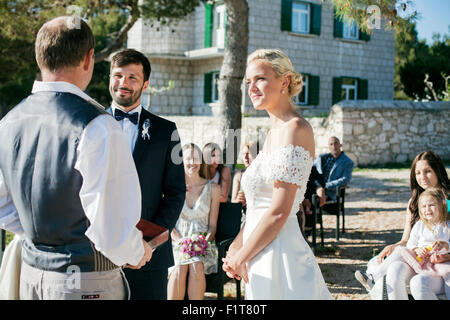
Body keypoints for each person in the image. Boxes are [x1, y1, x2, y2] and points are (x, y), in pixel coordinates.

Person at [0, 16, 152, 300]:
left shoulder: (8, 122)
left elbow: (3, 205)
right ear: (88, 58)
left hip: (31, 276)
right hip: (85, 281)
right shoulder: (97, 125)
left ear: (40, 57)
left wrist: (44, 238)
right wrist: (136, 250)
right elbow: (111, 228)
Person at [222, 48, 332, 299]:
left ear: (285, 81)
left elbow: (280, 210)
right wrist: (237, 246)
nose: (252, 88)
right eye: (249, 82)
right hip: (257, 250)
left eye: (260, 78)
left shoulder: (296, 128)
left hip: (280, 254)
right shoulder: (272, 133)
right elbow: (258, 208)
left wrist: (243, 255)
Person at [107, 48, 186, 300]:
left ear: (146, 84)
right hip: (97, 255)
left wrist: (149, 243)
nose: (123, 83)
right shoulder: (88, 123)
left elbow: (175, 192)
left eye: (132, 77)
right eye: (118, 75)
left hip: (148, 257)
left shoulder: (166, 131)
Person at [355, 150, 450, 298]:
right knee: (394, 270)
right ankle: (374, 278)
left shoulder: (448, 201)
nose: (422, 177)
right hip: (419, 255)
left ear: (437, 171)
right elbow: (407, 240)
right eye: (418, 173)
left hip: (441, 260)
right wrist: (394, 246)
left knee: (417, 280)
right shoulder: (414, 203)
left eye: (428, 171)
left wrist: (446, 254)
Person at [167, 143, 220, 300]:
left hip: (203, 244)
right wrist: (182, 242)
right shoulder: (173, 188)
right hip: (177, 242)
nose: (192, 162)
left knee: (196, 264)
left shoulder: (213, 188)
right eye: (188, 158)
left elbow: (212, 226)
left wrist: (203, 241)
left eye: (196, 158)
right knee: (180, 267)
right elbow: (169, 224)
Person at [313, 136, 354, 207]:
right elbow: (312, 173)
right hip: (316, 190)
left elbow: (345, 180)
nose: (334, 146)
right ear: (328, 146)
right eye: (331, 144)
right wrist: (318, 186)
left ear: (340, 145)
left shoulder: (347, 162)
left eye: (336, 143)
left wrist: (325, 186)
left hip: (331, 193)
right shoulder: (321, 158)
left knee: (314, 200)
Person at [231, 141, 259, 207]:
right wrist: (238, 200)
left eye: (248, 153)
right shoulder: (239, 175)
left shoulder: (262, 175)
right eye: (243, 154)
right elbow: (233, 201)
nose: (245, 157)